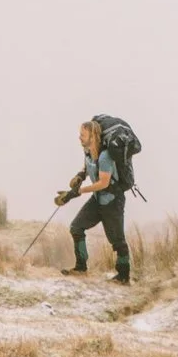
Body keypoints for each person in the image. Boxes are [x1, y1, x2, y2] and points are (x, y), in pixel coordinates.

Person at [54, 119, 130, 283]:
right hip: (97, 201)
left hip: (113, 202)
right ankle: (81, 268)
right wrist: (80, 176)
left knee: (117, 241)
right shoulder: (88, 151)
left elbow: (104, 182)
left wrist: (77, 192)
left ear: (92, 136)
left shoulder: (105, 156)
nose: (79, 137)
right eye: (80, 134)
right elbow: (87, 168)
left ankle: (123, 277)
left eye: (83, 135)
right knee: (76, 227)